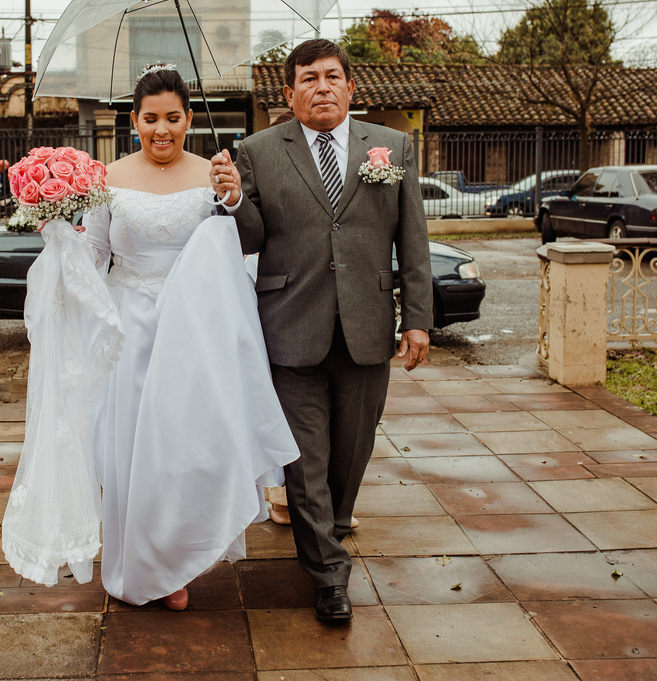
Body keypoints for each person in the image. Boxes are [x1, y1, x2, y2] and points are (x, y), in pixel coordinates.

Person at [211, 39, 432, 622]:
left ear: (351, 87)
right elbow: (250, 239)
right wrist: (233, 200)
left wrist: (418, 320)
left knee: (350, 455)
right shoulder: (257, 152)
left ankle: (326, 533)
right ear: (289, 94)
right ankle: (329, 575)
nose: (322, 87)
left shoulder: (392, 147)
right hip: (290, 327)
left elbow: (412, 241)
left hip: (366, 329)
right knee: (304, 462)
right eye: (308, 79)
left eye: (332, 76)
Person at [83, 64, 299, 611]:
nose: (162, 130)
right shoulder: (107, 178)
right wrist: (62, 232)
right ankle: (143, 562)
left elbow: (241, 243)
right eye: (150, 118)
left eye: (173, 118)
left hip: (195, 330)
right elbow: (95, 255)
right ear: (134, 121)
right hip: (130, 328)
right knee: (133, 451)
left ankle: (180, 554)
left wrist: (231, 199)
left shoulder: (215, 172)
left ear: (189, 119)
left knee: (188, 445)